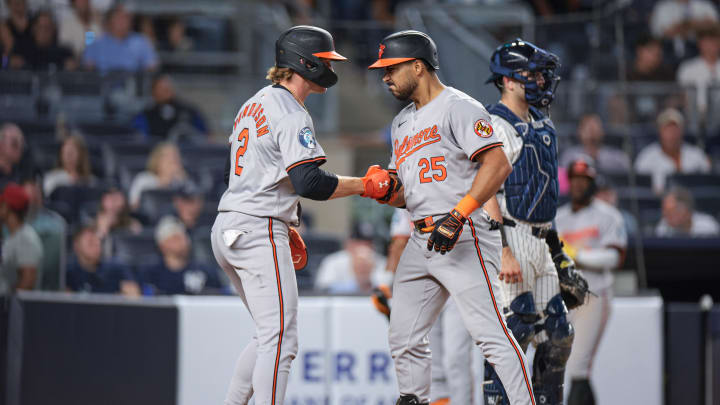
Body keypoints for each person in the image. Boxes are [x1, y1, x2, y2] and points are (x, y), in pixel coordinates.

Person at [209, 26, 391, 405]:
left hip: (230, 226)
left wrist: (283, 214)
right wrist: (363, 185)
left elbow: (233, 175)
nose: (329, 67)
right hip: (257, 229)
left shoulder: (254, 103)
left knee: (267, 334)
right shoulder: (291, 111)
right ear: (303, 62)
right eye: (324, 60)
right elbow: (309, 181)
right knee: (281, 337)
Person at [367, 31, 534, 405]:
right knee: (403, 336)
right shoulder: (400, 124)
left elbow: (497, 164)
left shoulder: (459, 106)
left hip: (464, 233)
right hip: (422, 236)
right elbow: (405, 195)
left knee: (490, 335)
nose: (385, 77)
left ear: (417, 66)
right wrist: (382, 189)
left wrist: (459, 214)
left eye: (391, 68)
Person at [481, 38, 571, 405]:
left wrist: (559, 254)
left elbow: (546, 196)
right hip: (510, 237)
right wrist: (502, 251)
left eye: (539, 73)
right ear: (507, 80)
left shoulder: (544, 125)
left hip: (541, 241)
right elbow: (484, 190)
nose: (538, 80)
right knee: (513, 335)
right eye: (529, 73)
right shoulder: (492, 124)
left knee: (559, 335)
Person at [555, 158, 627, 405]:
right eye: (574, 179)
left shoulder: (607, 215)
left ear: (593, 183)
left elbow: (615, 256)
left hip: (594, 295)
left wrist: (579, 255)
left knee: (578, 365)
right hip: (564, 298)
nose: (578, 185)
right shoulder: (559, 217)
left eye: (583, 180)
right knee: (567, 366)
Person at [634, 108, 711, 192]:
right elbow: (640, 188)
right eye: (667, 129)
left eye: (675, 128)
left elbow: (707, 183)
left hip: (694, 202)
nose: (671, 134)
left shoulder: (696, 155)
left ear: (682, 131)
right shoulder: (646, 157)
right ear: (660, 131)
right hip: (658, 203)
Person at [141, 216, 221, 295]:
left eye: (184, 236)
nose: (182, 241)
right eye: (175, 238)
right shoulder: (151, 274)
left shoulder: (204, 271)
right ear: (161, 245)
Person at [314, 221, 390, 294]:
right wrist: (355, 284)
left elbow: (388, 288)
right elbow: (324, 289)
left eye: (368, 243)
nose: (363, 246)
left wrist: (366, 278)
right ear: (348, 243)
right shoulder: (333, 261)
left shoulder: (383, 262)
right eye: (358, 242)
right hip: (342, 305)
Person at [66, 225, 140, 295]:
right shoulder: (68, 273)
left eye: (98, 241)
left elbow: (133, 297)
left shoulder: (117, 268)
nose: (96, 244)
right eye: (90, 242)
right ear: (76, 245)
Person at [82, 4, 158, 73]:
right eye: (118, 17)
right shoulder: (97, 43)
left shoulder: (141, 41)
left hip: (133, 85)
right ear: (111, 21)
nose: (122, 22)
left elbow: (151, 65)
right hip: (103, 85)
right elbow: (88, 65)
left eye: (125, 17)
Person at [20, 176, 66, 290]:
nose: (33, 197)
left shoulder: (56, 222)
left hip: (48, 278)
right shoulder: (9, 222)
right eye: (29, 193)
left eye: (36, 193)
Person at [132, 74, 208, 140]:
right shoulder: (146, 114)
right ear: (153, 91)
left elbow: (206, 135)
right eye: (160, 88)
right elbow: (138, 137)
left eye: (167, 88)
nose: (164, 91)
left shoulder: (188, 110)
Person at [0, 183, 43, 295]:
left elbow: (28, 282)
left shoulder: (26, 239)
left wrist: (7, 306)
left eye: (1, 204)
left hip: (15, 309)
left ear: (7, 207)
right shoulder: (12, 236)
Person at [559, 113, 630, 174]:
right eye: (588, 128)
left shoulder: (617, 158)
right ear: (579, 132)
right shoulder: (569, 157)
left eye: (595, 127)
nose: (592, 131)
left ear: (602, 132)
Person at [128, 142, 190, 210]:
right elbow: (133, 206)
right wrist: (166, 179)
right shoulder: (144, 179)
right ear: (158, 160)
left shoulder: (180, 181)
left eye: (176, 156)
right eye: (168, 156)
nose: (173, 160)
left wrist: (184, 181)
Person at [677, 24, 720, 116]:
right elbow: (683, 98)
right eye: (707, 41)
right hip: (695, 118)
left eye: (714, 40)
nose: (711, 45)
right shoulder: (687, 68)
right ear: (700, 43)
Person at [656, 186, 720, 237]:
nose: (664, 215)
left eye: (670, 212)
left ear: (686, 211)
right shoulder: (663, 227)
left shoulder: (708, 226)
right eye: (665, 211)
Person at [0, 123, 34, 189]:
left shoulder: (23, 175)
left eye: (22, 143)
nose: (20, 147)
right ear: (1, 144)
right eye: (15, 143)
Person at [0, 0, 32, 69]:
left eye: (22, 2)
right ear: (8, 5)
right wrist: (7, 61)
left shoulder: (35, 25)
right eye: (16, 4)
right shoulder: (4, 28)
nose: (19, 7)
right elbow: (3, 63)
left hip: (33, 70)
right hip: (10, 74)